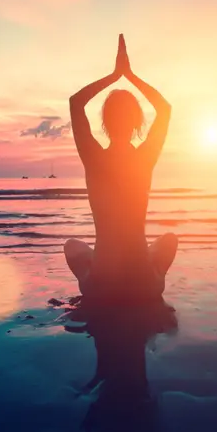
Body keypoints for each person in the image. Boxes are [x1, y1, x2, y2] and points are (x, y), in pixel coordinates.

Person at [64, 34, 178, 302]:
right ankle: (153, 271)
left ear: (105, 122)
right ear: (138, 123)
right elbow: (164, 108)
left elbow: (75, 102)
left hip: (101, 285)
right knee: (169, 240)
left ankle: (92, 275)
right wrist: (130, 75)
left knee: (72, 247)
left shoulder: (93, 158)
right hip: (144, 285)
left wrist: (114, 75)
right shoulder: (145, 157)